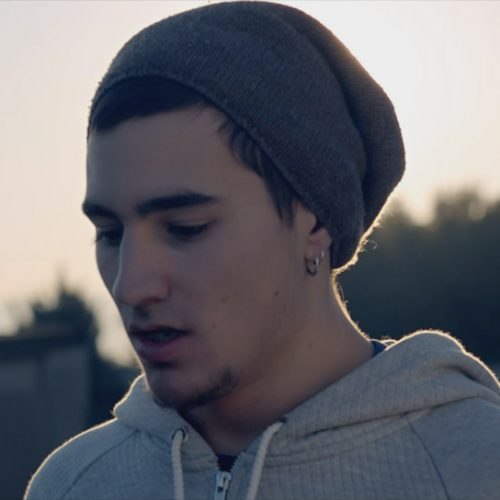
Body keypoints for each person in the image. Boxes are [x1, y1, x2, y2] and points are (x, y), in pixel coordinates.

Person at [26, 2, 500, 499]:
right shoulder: (74, 484)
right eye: (110, 233)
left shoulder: (477, 467)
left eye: (186, 228)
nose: (131, 285)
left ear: (315, 218)